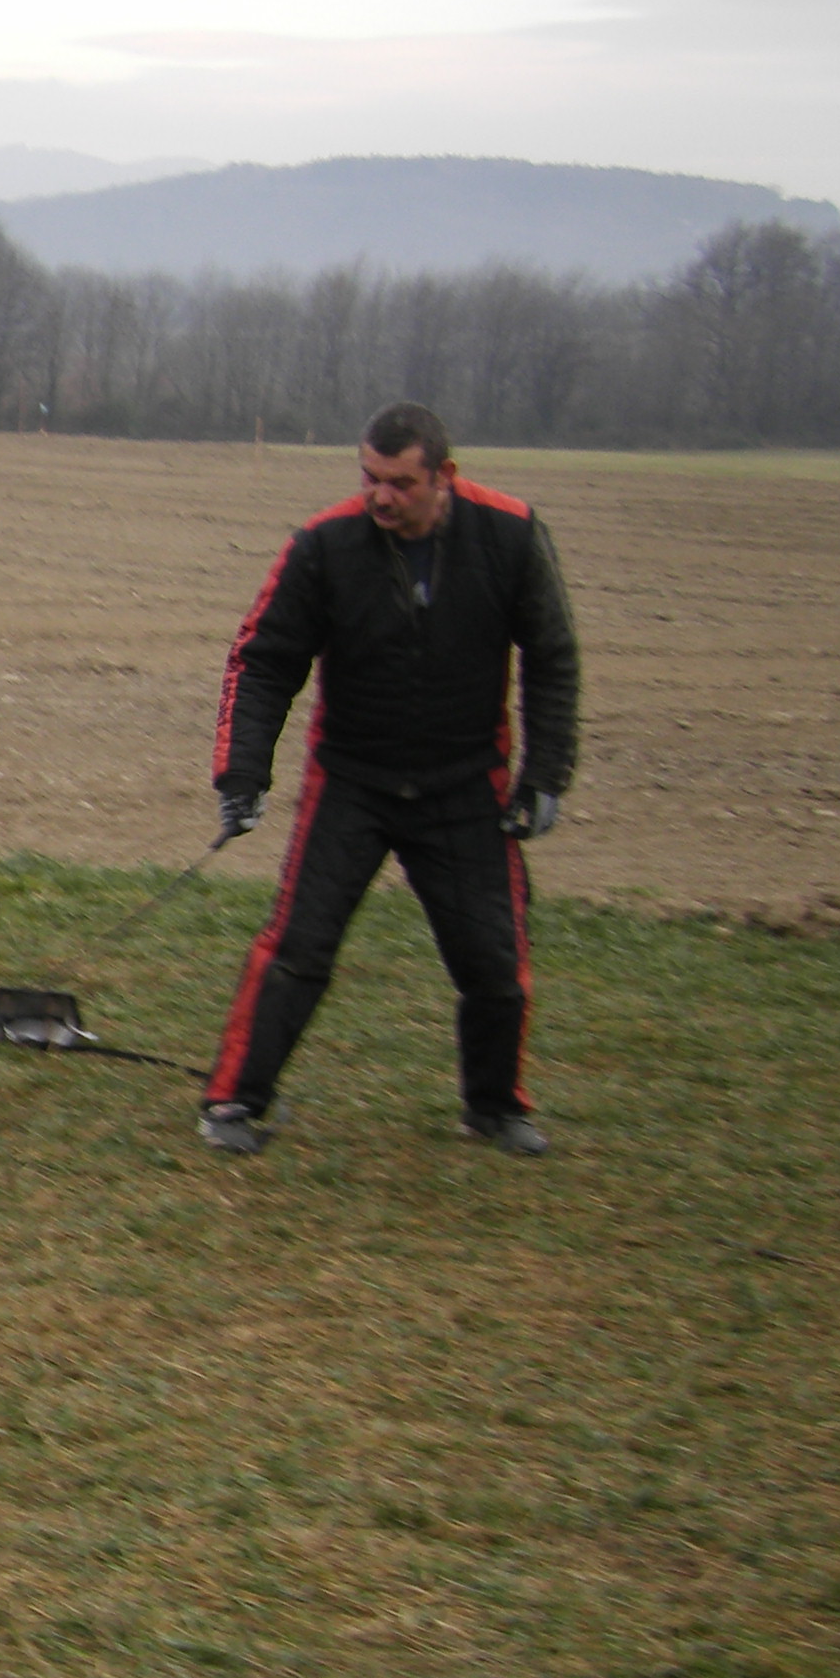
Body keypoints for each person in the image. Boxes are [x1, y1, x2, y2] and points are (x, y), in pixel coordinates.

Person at [197, 400, 579, 1159]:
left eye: (400, 483)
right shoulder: (323, 544)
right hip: (352, 781)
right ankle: (232, 1103)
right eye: (370, 477)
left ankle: (496, 1105)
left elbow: (553, 656)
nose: (381, 497)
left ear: (445, 475)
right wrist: (242, 772)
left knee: (496, 960)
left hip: (467, 786)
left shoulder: (512, 534)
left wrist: (544, 774)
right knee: (297, 948)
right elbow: (264, 659)